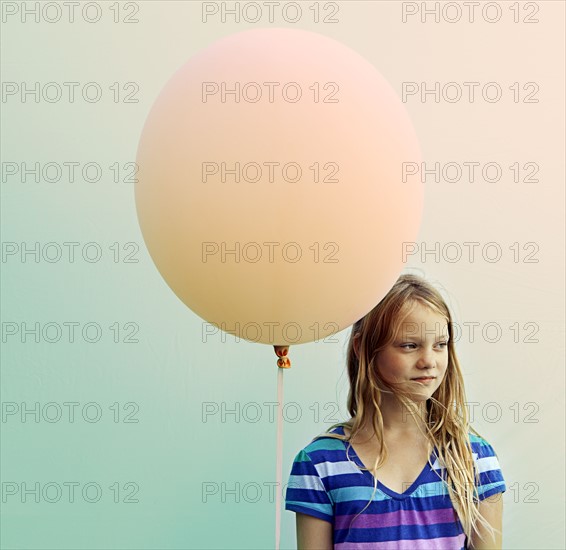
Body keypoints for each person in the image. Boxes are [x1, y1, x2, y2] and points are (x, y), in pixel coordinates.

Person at [285, 273, 506, 549]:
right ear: (363, 348)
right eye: (409, 346)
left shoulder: (475, 460)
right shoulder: (319, 465)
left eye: (440, 345)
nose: (429, 361)